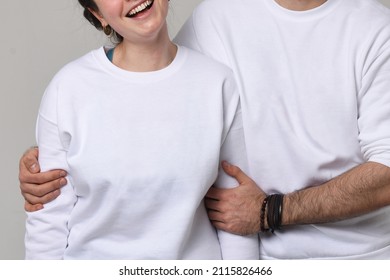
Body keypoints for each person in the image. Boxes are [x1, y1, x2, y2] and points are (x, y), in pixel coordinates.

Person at [20, 0, 390, 259]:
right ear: (97, 15)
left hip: (359, 258)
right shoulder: (214, 18)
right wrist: (49, 162)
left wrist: (270, 212)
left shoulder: (375, 28)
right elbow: (150, 91)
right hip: (260, 253)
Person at [23, 0, 259, 260]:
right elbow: (48, 224)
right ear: (98, 14)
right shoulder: (67, 88)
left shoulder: (218, 83)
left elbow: (237, 213)